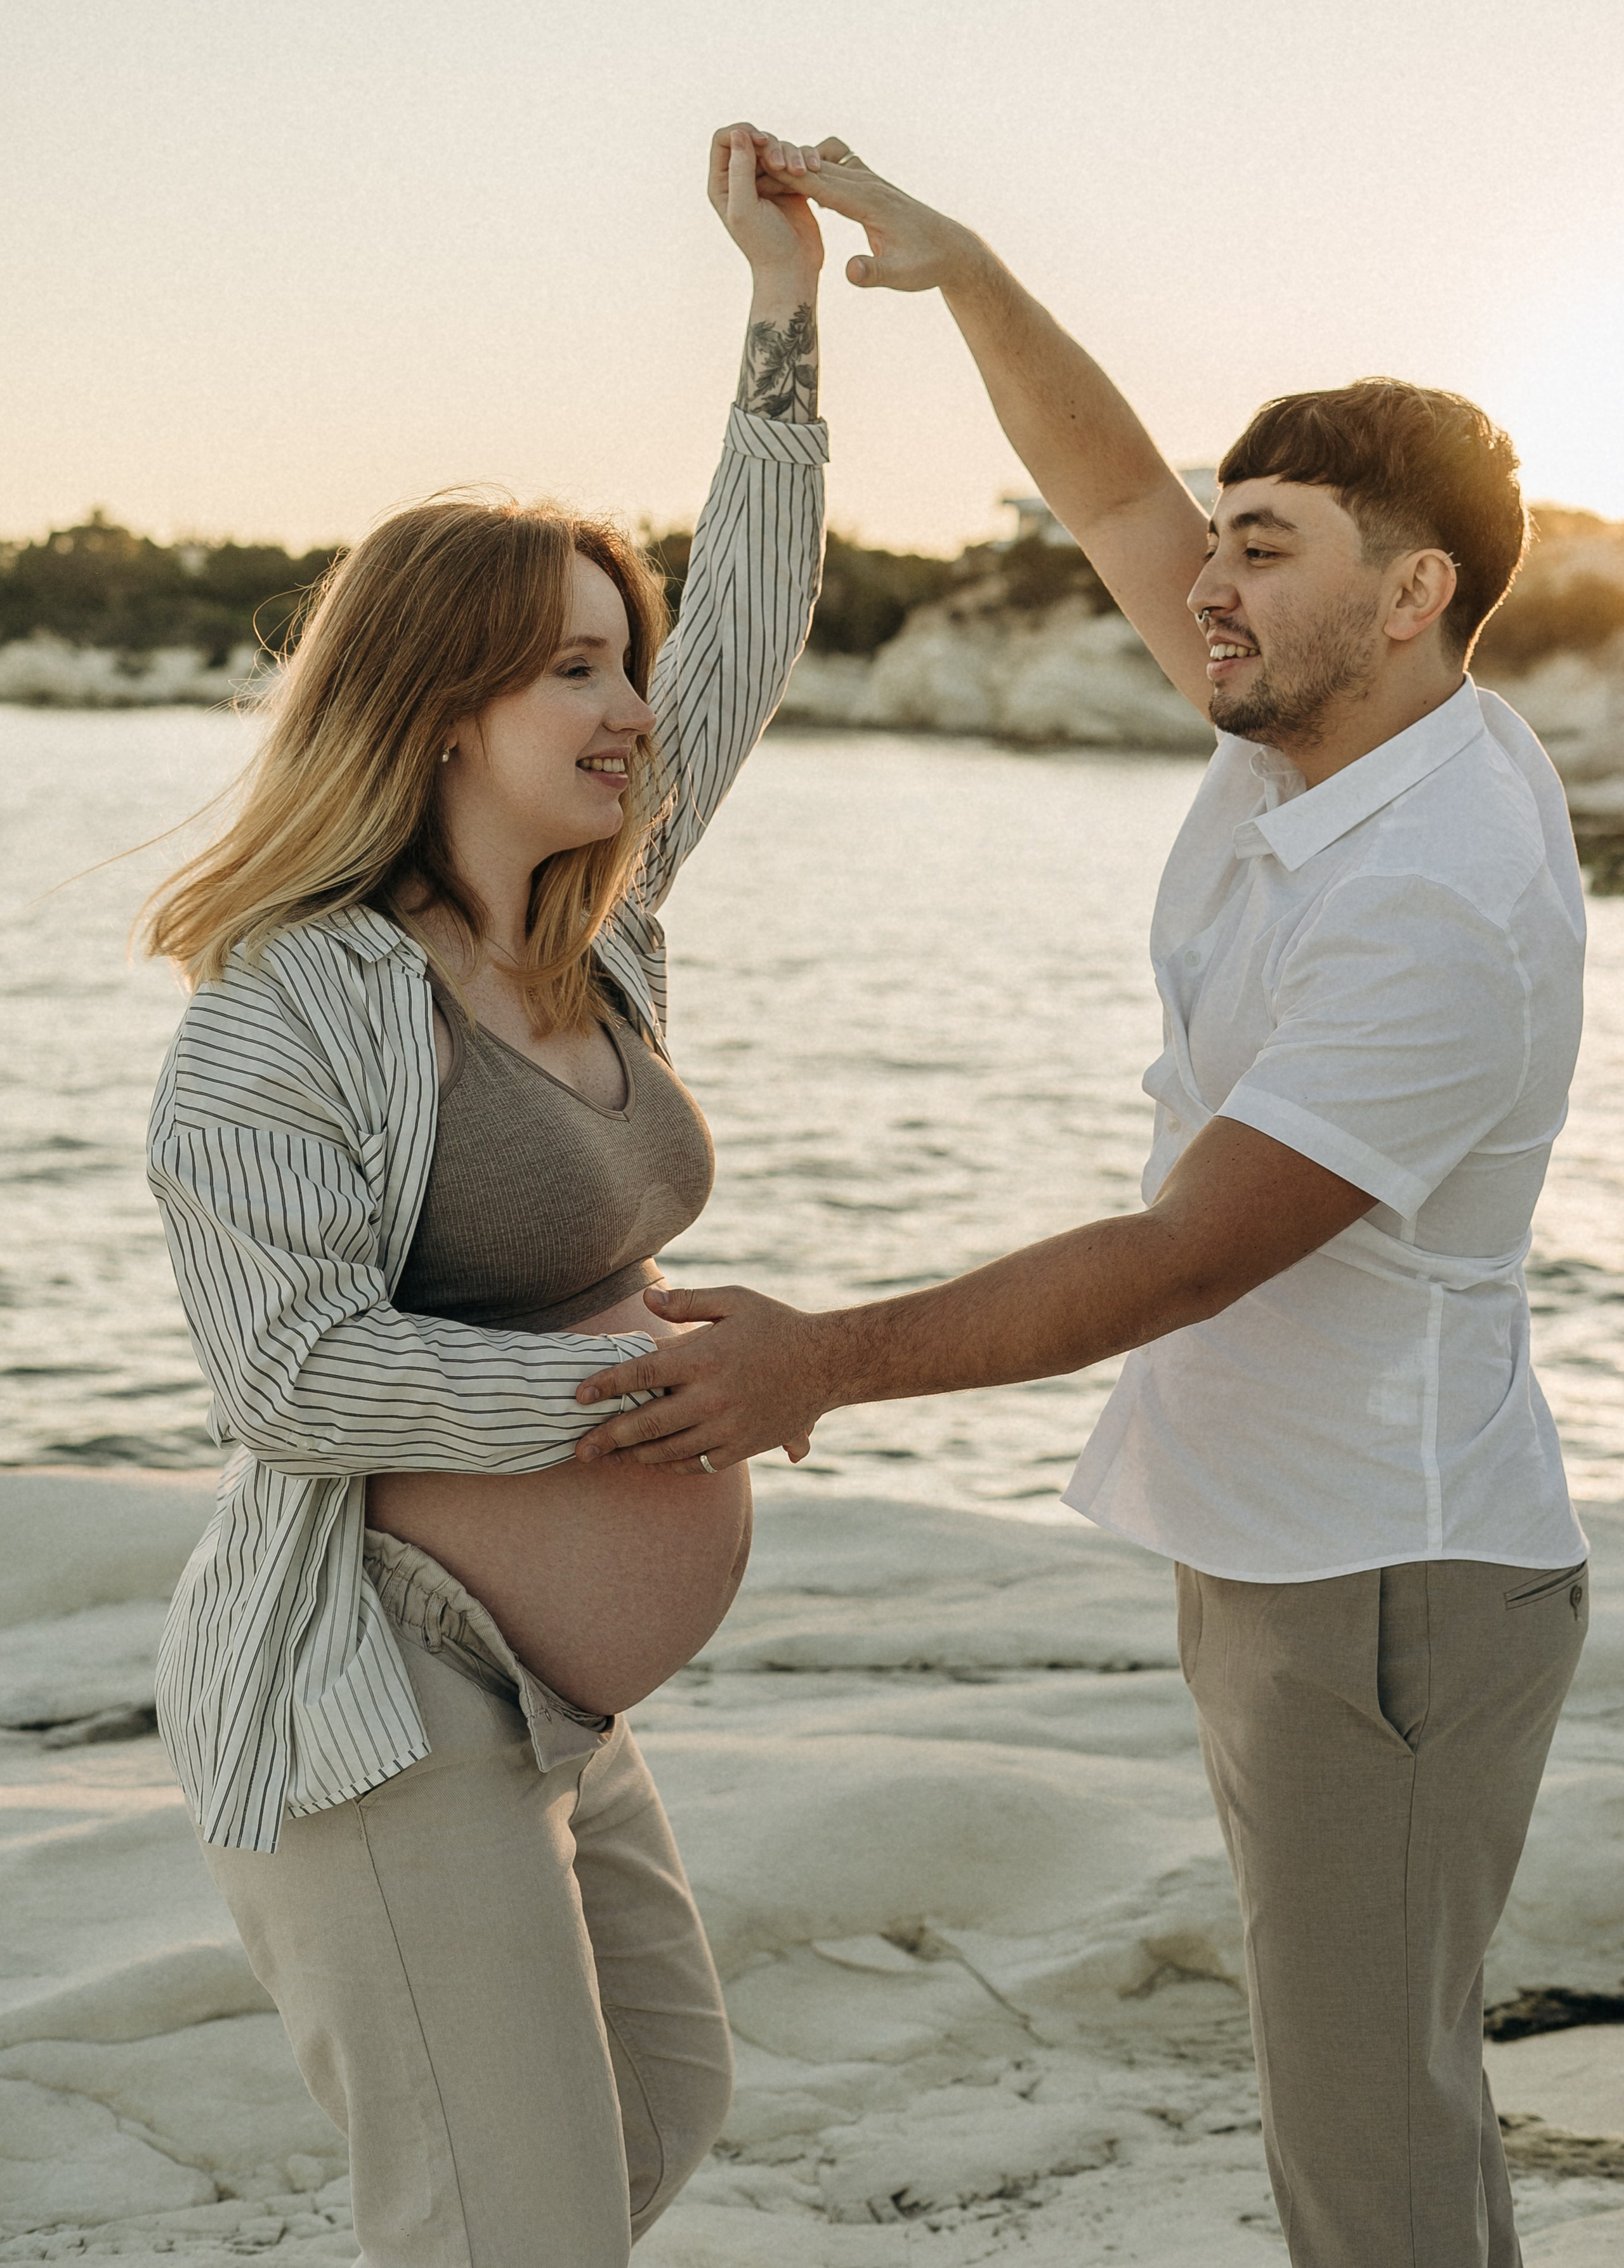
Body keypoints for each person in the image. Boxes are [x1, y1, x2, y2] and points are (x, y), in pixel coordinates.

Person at [572, 143, 1592, 2268]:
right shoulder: (1344, 733)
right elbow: (1118, 496)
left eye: (1269, 547)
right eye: (1225, 536)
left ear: (1411, 595)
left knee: (1371, 2152)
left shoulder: (1435, 902)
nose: (1204, 581)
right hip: (1304, 1543)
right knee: (1373, 2096)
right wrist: (964, 274)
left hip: (1380, 1584)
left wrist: (819, 1361)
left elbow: (1183, 1253)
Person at [140, 123, 827, 2268]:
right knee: (507, 2224)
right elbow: (289, 1376)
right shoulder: (289, 1011)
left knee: (663, 2102)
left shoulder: (593, 941)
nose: (636, 705)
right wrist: (641, 1410)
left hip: (550, 1693)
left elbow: (751, 641)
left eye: (627, 657)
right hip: (371, 1682)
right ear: (441, 708)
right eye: (577, 669)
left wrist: (783, 314)